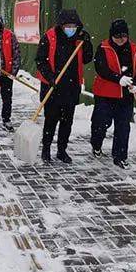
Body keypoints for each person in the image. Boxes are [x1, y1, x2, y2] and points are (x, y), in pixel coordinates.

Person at [36, 9, 93, 164]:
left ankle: (62, 150)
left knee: (67, 121)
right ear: (61, 25)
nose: (71, 28)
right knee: (51, 120)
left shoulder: (80, 39)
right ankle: (46, 148)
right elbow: (40, 60)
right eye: (67, 25)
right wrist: (50, 77)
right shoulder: (49, 37)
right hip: (52, 87)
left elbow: (87, 58)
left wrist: (87, 43)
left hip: (71, 86)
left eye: (73, 25)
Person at [90, 18, 136, 170]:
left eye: (124, 37)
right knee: (100, 123)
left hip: (126, 97)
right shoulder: (103, 47)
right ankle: (96, 143)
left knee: (123, 127)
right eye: (117, 37)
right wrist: (118, 78)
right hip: (105, 95)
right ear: (111, 36)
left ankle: (120, 156)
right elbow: (101, 68)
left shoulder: (134, 49)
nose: (121, 40)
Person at [0, 13, 21, 134]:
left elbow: (16, 54)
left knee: (7, 98)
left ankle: (6, 119)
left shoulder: (9, 35)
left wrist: (14, 72)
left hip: (7, 73)